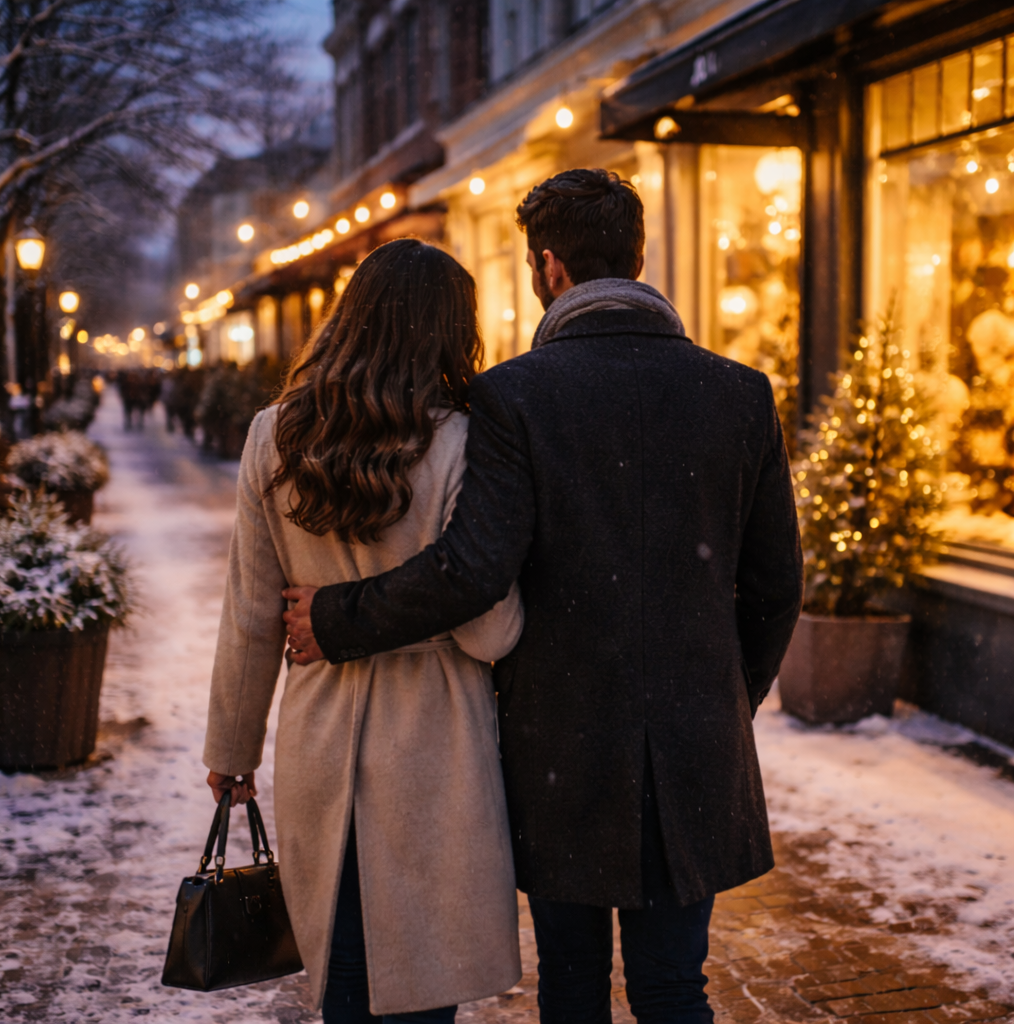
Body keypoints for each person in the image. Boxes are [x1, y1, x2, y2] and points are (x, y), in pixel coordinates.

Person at [284, 169, 804, 1024]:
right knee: (677, 985)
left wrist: (336, 617)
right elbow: (776, 586)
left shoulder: (515, 395)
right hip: (696, 744)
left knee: (571, 983)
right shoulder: (738, 392)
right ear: (637, 259)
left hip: (562, 743)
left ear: (550, 266)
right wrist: (721, 695)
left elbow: (473, 569)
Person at [202, 239, 524, 1023]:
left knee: (343, 974)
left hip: (320, 729)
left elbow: (250, 614)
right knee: (420, 977)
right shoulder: (459, 440)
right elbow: (488, 632)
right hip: (435, 743)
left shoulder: (273, 436)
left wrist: (230, 753)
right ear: (451, 331)